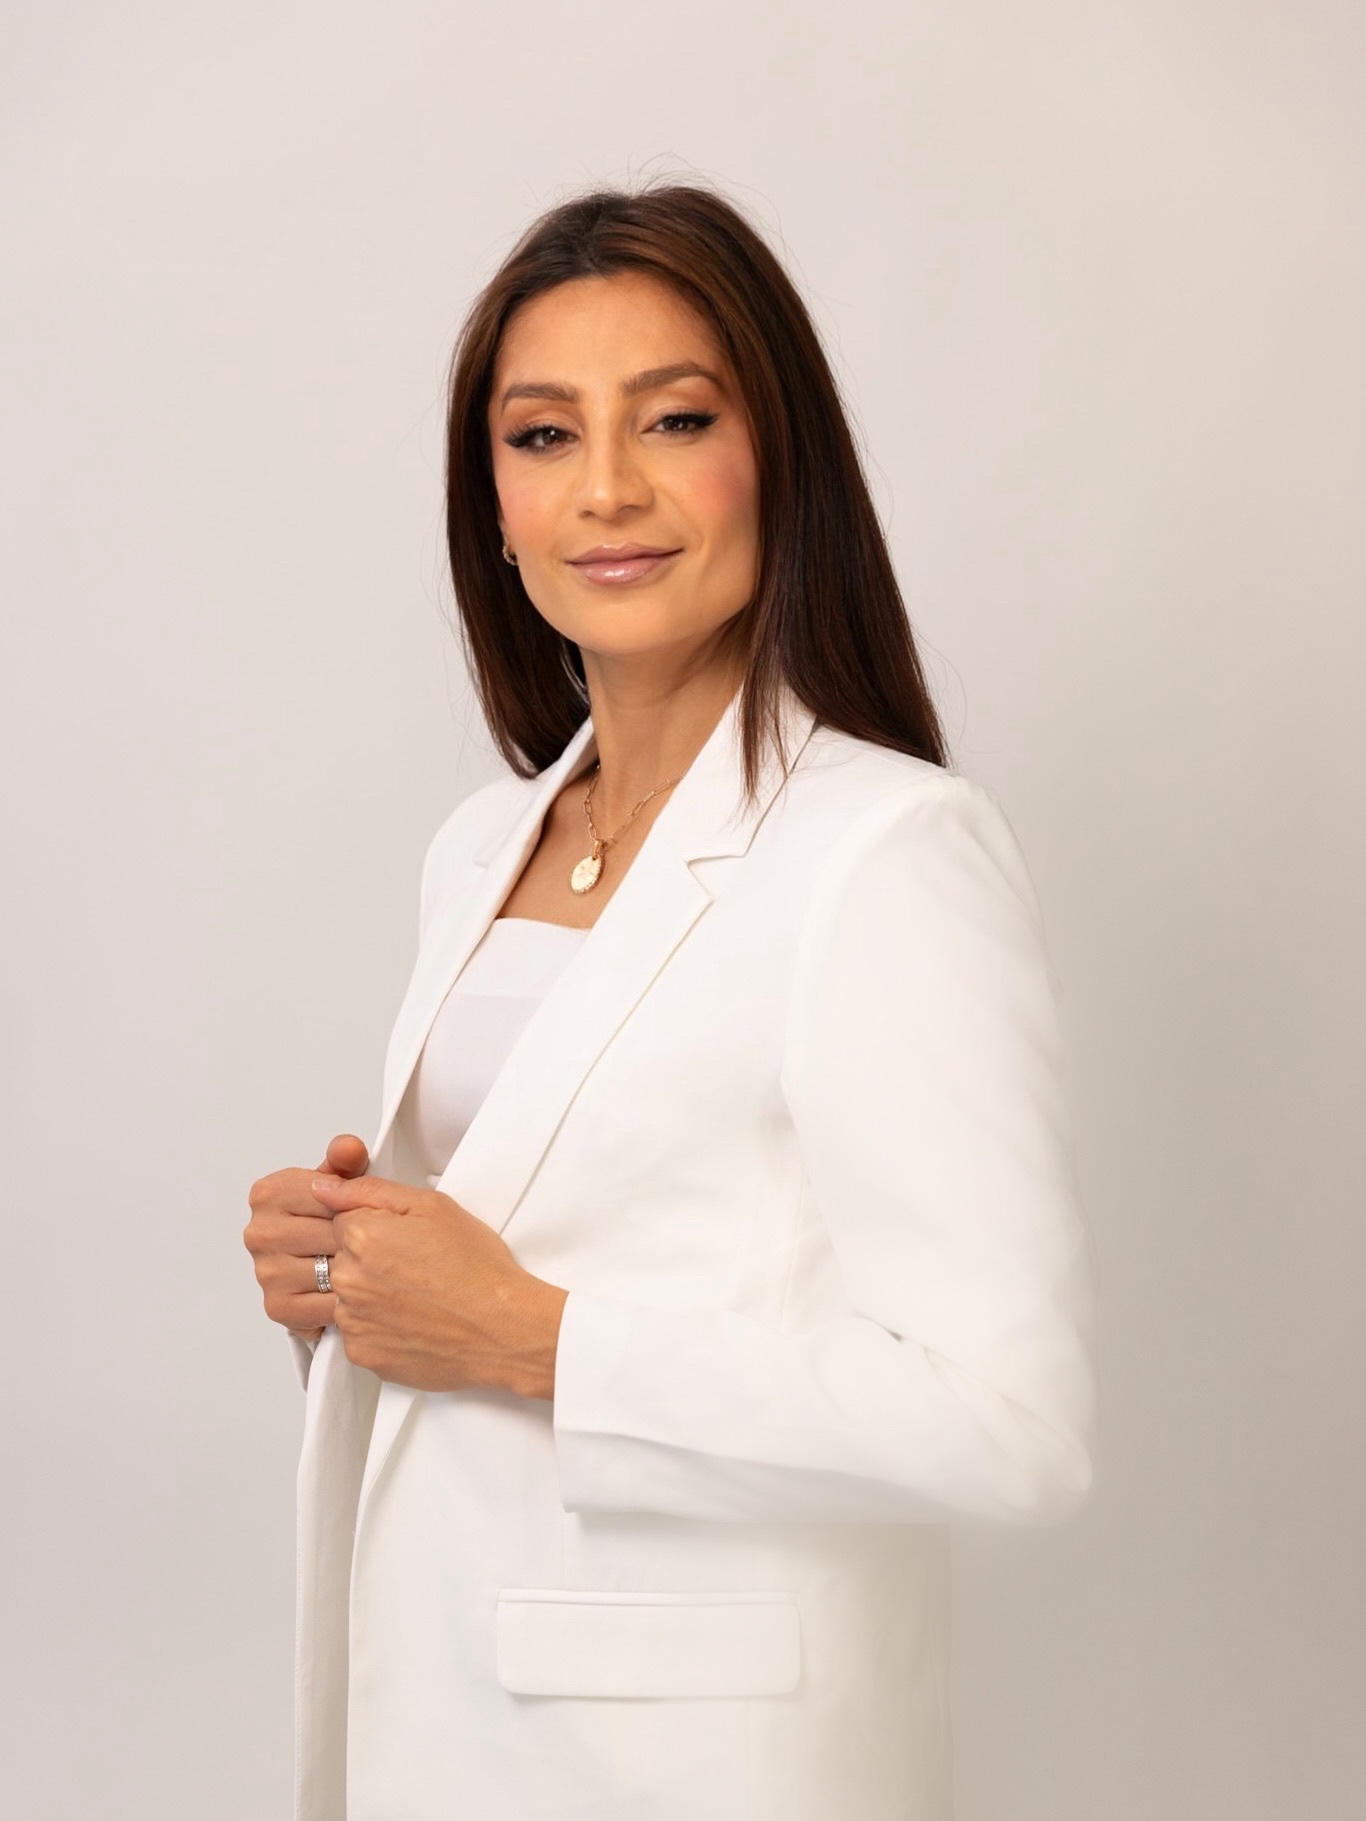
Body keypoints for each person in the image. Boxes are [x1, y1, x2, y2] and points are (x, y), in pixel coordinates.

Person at [243, 180, 1096, 1821]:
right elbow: (541, 1247)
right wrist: (349, 1285)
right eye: (542, 436)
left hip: (700, 1768)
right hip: (441, 1722)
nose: (606, 489)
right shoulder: (479, 845)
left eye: (675, 419)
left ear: (779, 458)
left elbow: (1012, 1425)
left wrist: (536, 1338)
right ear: (491, 505)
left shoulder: (886, 850)